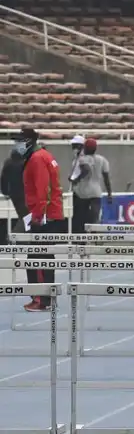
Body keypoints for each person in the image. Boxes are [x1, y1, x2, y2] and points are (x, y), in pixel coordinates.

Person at [18, 128, 65, 312]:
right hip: (49, 213)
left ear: (29, 141)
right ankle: (47, 298)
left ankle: (41, 298)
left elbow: (42, 189)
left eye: (20, 140)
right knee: (45, 257)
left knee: (37, 258)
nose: (17, 145)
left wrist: (38, 215)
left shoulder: (37, 159)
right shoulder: (45, 155)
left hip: (43, 216)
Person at [70, 138, 112, 234]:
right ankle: (95, 239)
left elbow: (86, 170)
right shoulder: (102, 160)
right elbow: (106, 178)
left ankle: (82, 239)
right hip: (96, 192)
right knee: (95, 217)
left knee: (81, 218)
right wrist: (109, 194)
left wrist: (76, 180)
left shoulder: (82, 159)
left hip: (83, 193)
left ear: (85, 148)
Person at [0, 148, 27, 242]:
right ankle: (15, 237)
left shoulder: (8, 163)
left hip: (13, 194)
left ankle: (23, 238)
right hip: (24, 194)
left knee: (24, 216)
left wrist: (5, 192)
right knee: (26, 216)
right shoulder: (23, 164)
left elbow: (3, 179)